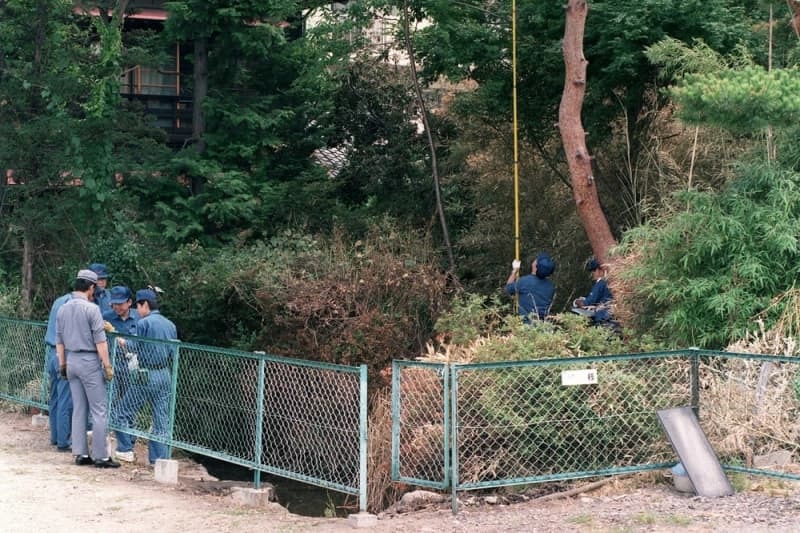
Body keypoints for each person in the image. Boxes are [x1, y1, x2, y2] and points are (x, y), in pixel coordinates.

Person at [55, 269, 120, 468]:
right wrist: (107, 366)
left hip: (71, 360)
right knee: (99, 410)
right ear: (91, 287)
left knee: (79, 409)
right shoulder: (92, 309)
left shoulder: (63, 309)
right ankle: (101, 456)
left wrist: (63, 365)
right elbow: (101, 343)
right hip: (89, 361)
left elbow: (59, 341)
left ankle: (80, 453)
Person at [115, 288, 177, 465]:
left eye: (138, 306)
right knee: (160, 419)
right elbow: (173, 352)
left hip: (146, 374)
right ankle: (159, 460)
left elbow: (133, 347)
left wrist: (123, 341)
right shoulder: (170, 325)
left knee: (123, 411)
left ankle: (125, 450)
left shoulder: (144, 323)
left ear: (145, 305)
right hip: (165, 375)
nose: (137, 310)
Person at [103, 286, 139, 461]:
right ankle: (120, 444)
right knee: (111, 405)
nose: (116, 307)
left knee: (129, 406)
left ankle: (130, 441)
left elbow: (139, 345)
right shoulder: (106, 317)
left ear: (129, 302)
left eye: (120, 304)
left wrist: (117, 336)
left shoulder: (139, 319)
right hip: (112, 367)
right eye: (114, 304)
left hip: (132, 369)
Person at [45, 290, 73, 451]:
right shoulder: (71, 305)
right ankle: (63, 441)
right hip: (63, 353)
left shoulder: (59, 300)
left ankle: (55, 437)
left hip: (51, 352)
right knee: (65, 399)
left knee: (55, 397)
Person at [506, 251, 556, 322]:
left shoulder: (525, 282)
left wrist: (514, 271)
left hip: (525, 325)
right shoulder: (550, 287)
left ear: (536, 266)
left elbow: (508, 288)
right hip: (541, 325)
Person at [572, 258, 617, 329]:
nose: (592, 274)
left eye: (593, 271)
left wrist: (576, 302)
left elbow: (588, 302)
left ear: (599, 270)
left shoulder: (601, 283)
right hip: (612, 316)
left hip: (603, 317)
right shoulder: (610, 282)